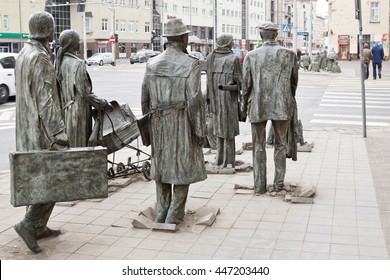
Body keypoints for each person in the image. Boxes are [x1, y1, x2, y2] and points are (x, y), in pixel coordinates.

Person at [141, 18, 207, 224]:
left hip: (157, 122)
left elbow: (145, 98)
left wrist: (149, 127)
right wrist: (199, 130)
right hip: (181, 122)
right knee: (181, 166)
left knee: (161, 166)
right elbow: (195, 100)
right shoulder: (190, 63)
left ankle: (161, 212)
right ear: (183, 38)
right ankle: (174, 213)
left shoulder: (152, 63)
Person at [13, 11, 69, 253]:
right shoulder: (40, 58)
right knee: (50, 179)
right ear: (50, 31)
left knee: (38, 180)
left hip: (26, 129)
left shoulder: (23, 54)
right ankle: (28, 224)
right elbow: (45, 99)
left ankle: (39, 225)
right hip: (41, 131)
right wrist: (58, 132)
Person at [241, 21, 298, 195]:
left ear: (261, 35)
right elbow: (294, 82)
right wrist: (288, 99)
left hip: (258, 105)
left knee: (258, 145)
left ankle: (259, 187)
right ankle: (279, 185)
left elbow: (246, 85)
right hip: (282, 105)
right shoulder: (289, 54)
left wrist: (244, 106)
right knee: (280, 144)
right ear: (276, 35)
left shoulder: (251, 55)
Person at [55, 29, 112, 147]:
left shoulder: (59, 63)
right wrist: (103, 103)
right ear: (71, 43)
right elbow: (86, 94)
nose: (79, 43)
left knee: (70, 147)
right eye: (77, 40)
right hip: (78, 114)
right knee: (80, 147)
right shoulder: (78, 64)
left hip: (65, 113)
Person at [206, 34, 242, 168]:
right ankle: (228, 162)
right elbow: (241, 82)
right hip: (228, 102)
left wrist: (209, 101)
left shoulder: (210, 57)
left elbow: (208, 84)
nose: (233, 43)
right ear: (227, 43)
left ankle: (220, 160)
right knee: (228, 131)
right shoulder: (233, 59)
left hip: (215, 101)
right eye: (232, 41)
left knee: (220, 130)